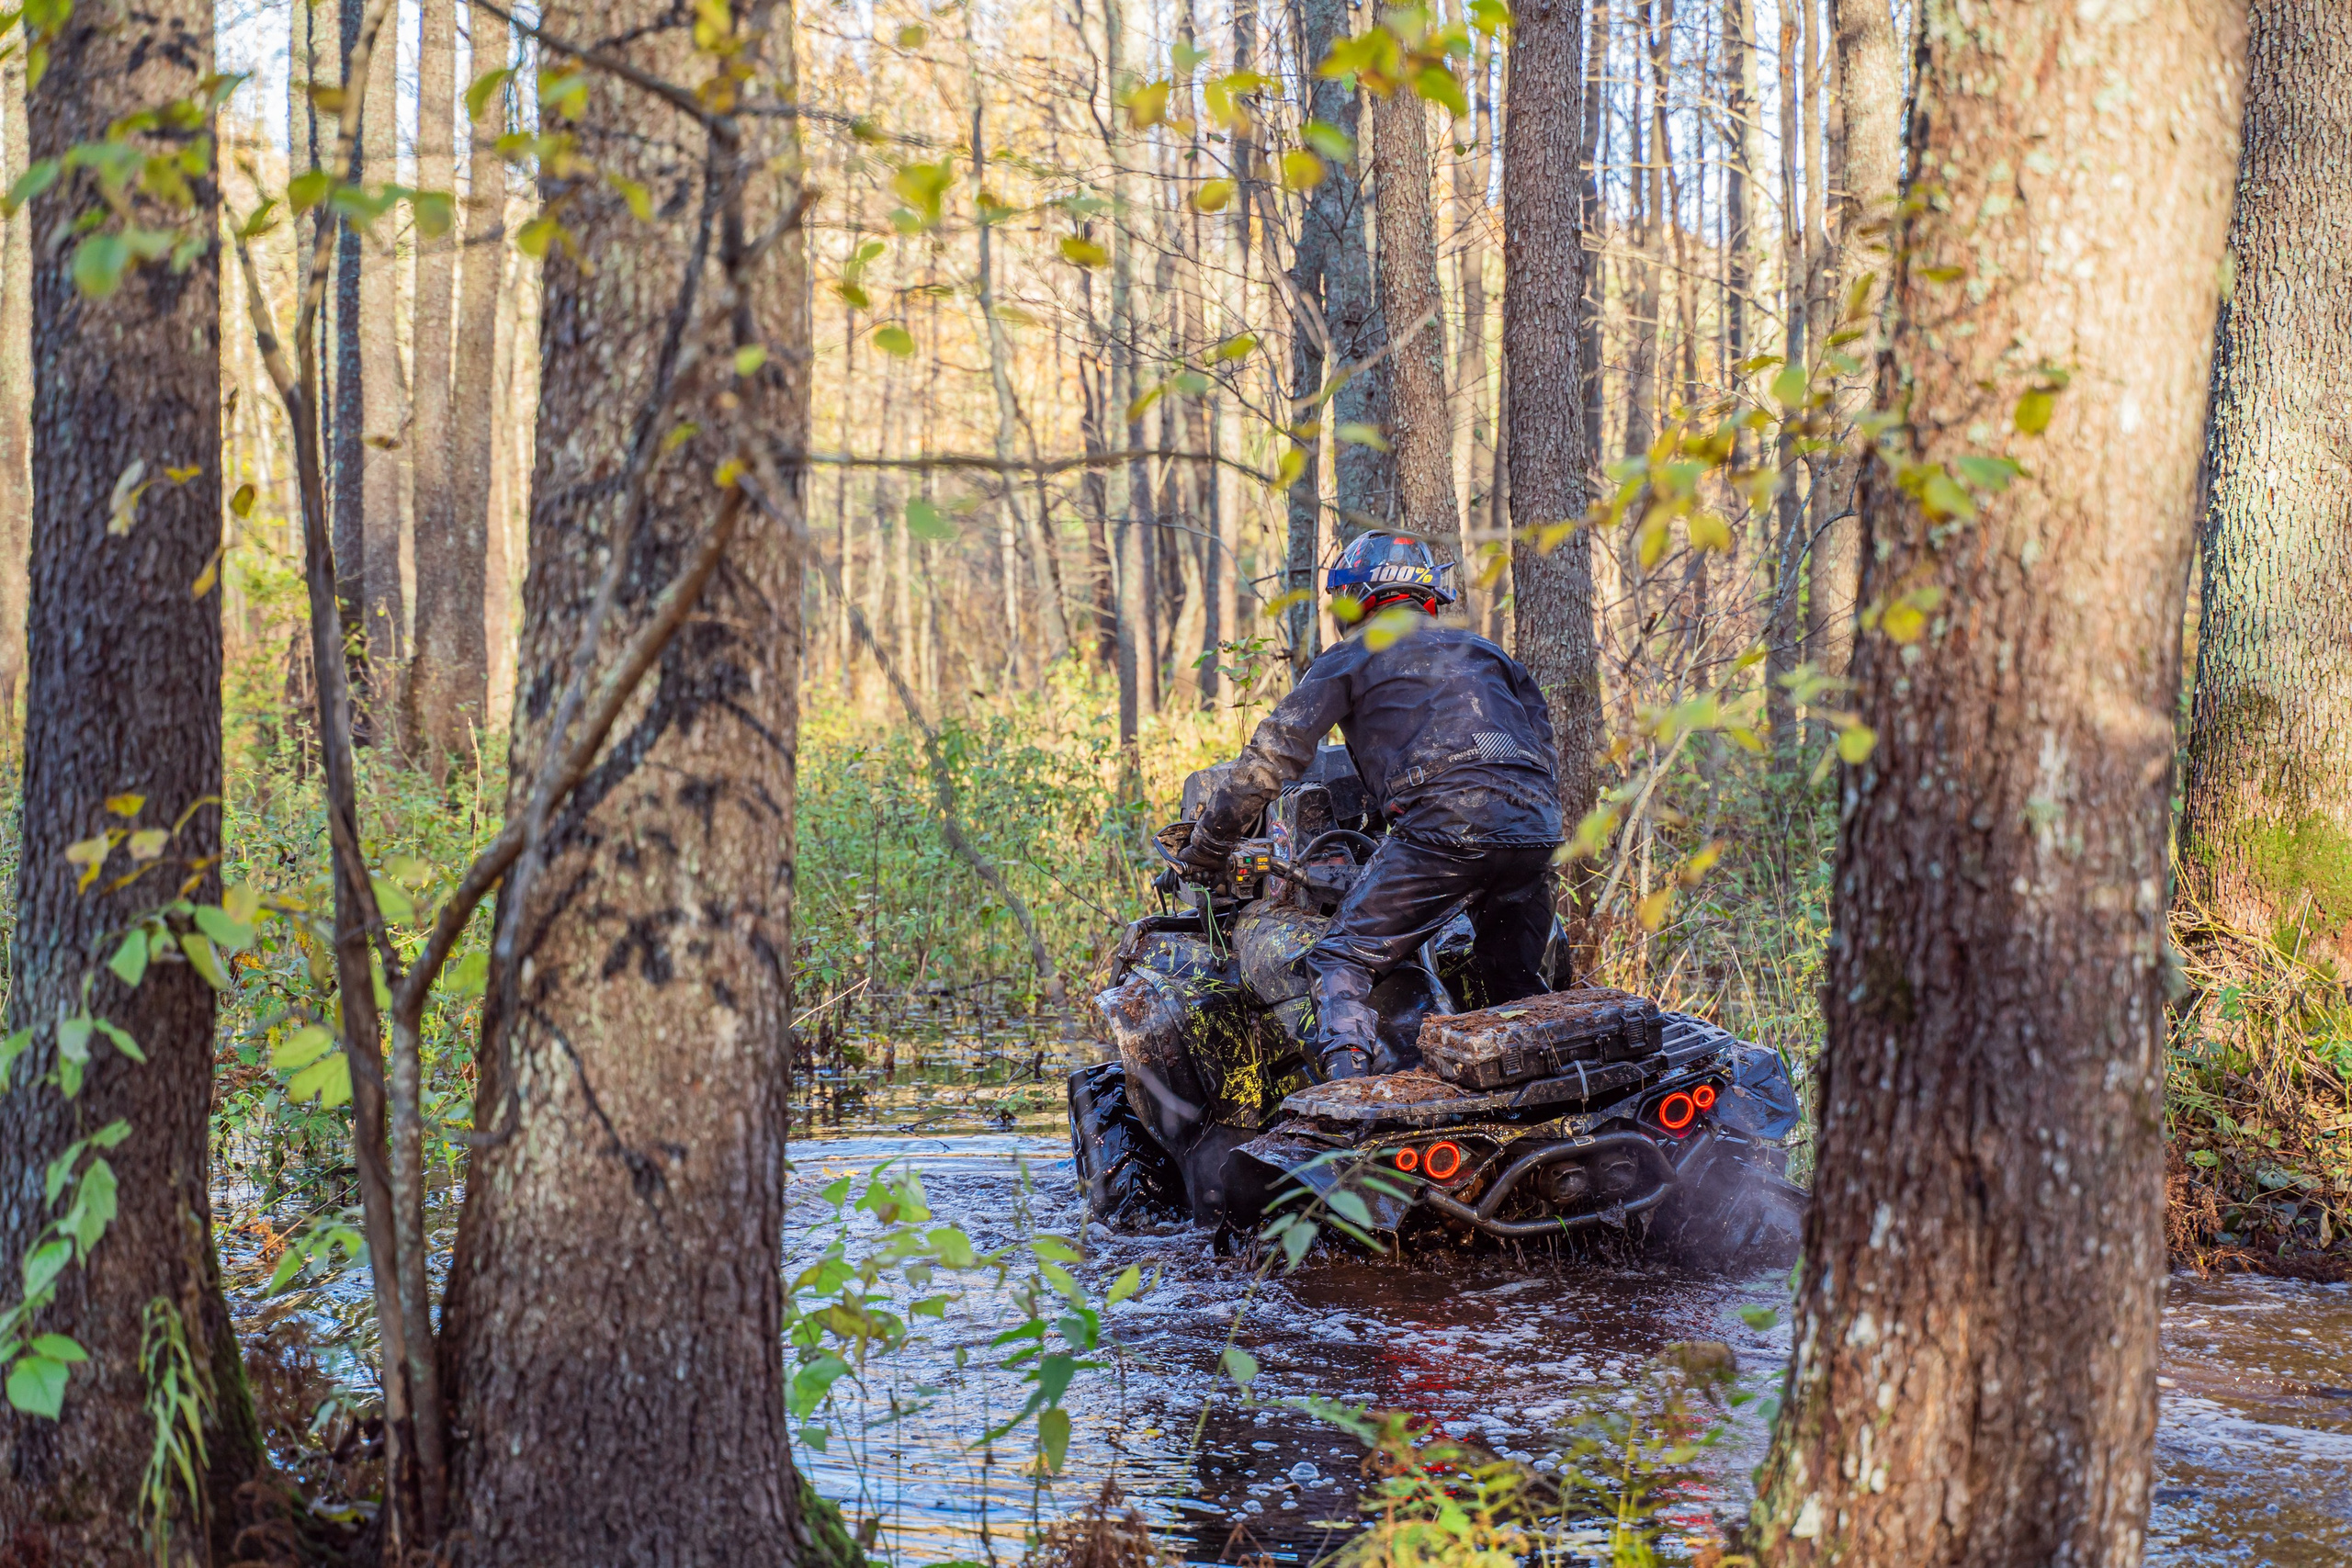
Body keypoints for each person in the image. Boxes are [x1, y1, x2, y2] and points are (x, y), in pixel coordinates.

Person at [1180, 532, 1564, 1081]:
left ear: (1355, 597)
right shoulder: (1489, 654)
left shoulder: (1351, 656)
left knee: (1340, 958)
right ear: (1428, 594)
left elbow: (1273, 755)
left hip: (1441, 832)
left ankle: (1348, 1097)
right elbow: (1543, 753)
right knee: (1515, 982)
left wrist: (1209, 842)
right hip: (1535, 832)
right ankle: (1546, 1095)